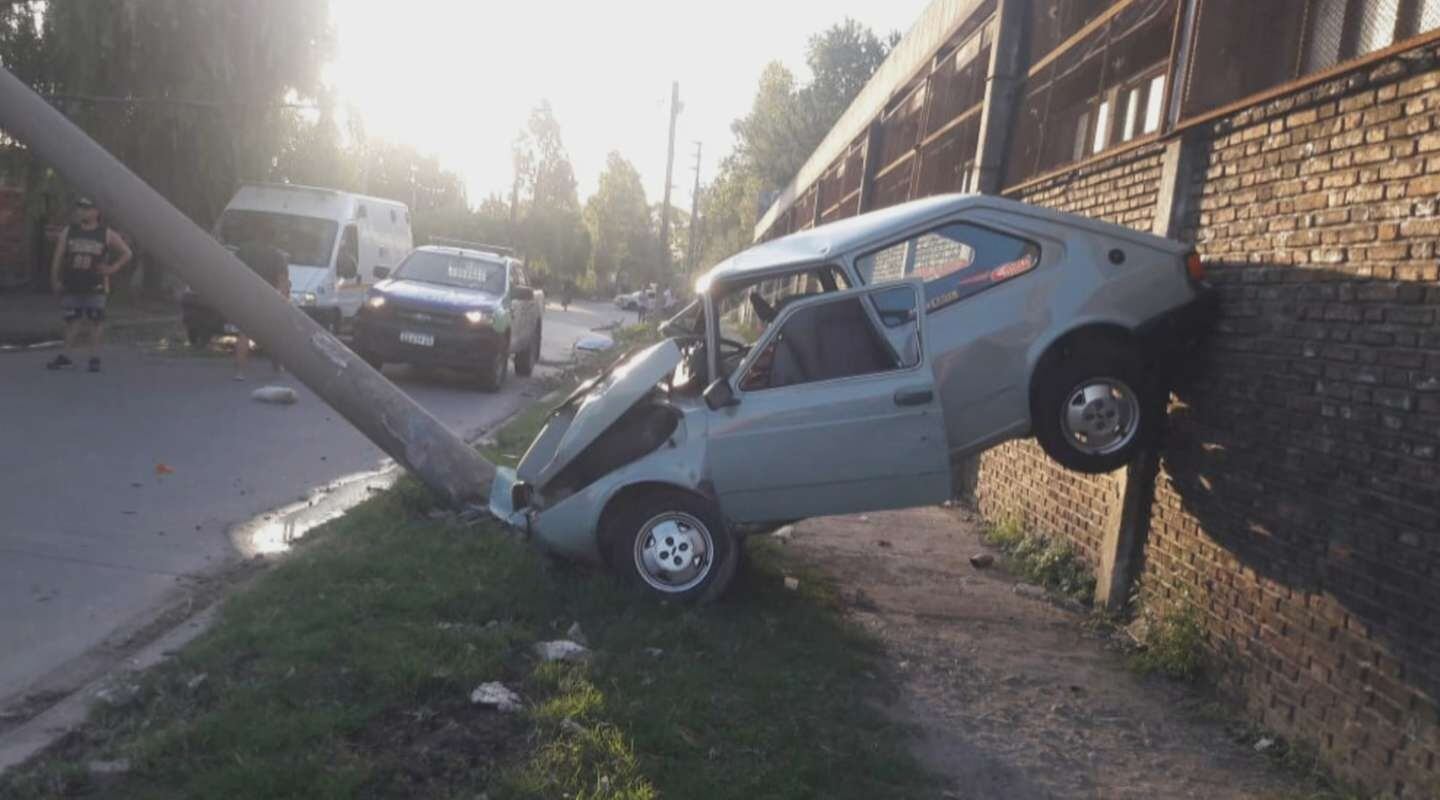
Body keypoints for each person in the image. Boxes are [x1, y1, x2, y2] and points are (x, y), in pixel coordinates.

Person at [46, 197, 132, 372]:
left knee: (95, 320)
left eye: (86, 208)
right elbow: (58, 257)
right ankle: (66, 356)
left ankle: (94, 358)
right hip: (72, 284)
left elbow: (127, 252)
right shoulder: (69, 231)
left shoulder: (105, 233)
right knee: (72, 321)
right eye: (80, 208)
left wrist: (112, 268)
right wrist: (55, 279)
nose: (81, 212)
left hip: (96, 285)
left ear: (96, 212)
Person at [232, 221, 290, 381]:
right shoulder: (278, 256)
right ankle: (278, 365)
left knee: (244, 334)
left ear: (257, 234)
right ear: (273, 238)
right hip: (268, 299)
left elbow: (233, 272)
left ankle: (240, 372)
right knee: (274, 334)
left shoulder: (243, 251)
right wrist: (284, 301)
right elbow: (282, 281)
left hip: (247, 297)